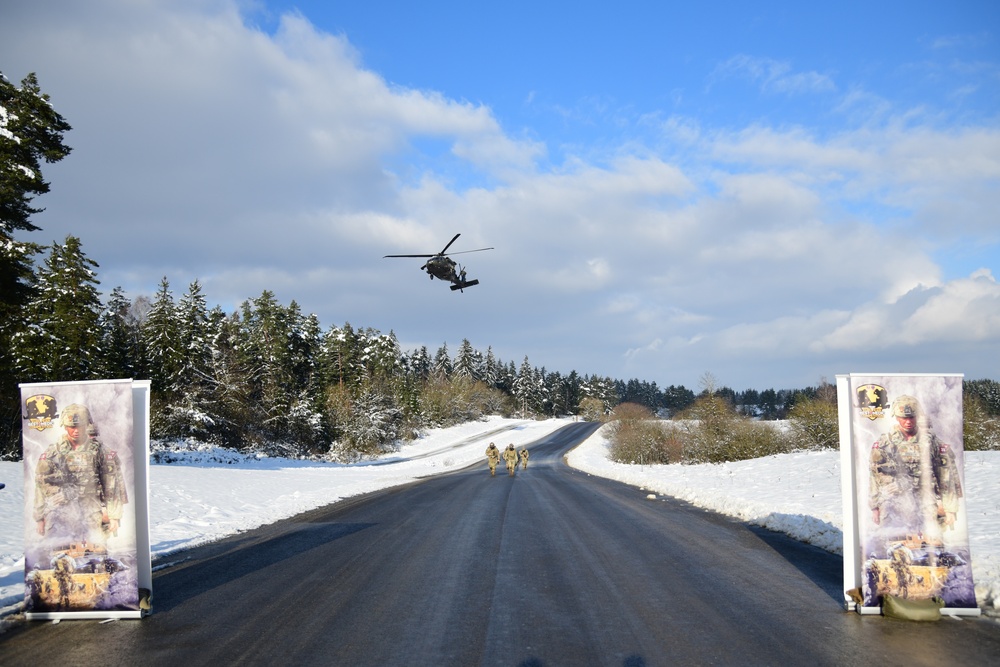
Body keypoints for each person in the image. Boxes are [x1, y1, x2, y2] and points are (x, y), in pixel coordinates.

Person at [33, 403, 128, 546]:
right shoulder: (53, 453)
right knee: (59, 551)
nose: (76, 430)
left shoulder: (100, 451)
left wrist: (113, 516)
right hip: (61, 512)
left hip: (92, 509)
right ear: (65, 426)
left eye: (80, 426)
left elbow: (111, 485)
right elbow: (41, 485)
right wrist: (40, 518)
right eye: (72, 426)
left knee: (96, 551)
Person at [869, 395, 962, 534]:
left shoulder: (932, 442)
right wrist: (875, 507)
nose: (908, 421)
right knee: (894, 542)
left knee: (931, 544)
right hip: (895, 503)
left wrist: (950, 509)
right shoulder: (885, 443)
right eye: (903, 417)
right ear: (896, 416)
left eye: (912, 417)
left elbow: (946, 477)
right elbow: (875, 476)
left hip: (927, 501)